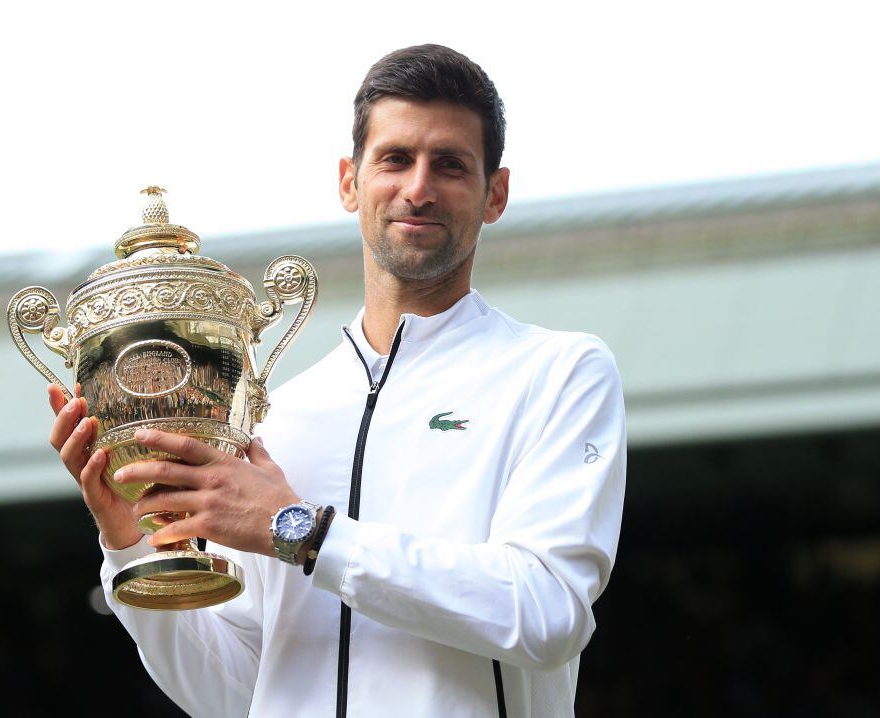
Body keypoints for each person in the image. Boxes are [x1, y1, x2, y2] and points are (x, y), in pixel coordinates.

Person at [47, 44, 626, 718]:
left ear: (494, 194)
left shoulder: (558, 373)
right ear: (350, 181)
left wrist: (303, 533)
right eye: (395, 159)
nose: (418, 188)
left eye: (450, 165)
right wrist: (130, 546)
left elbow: (546, 612)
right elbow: (237, 694)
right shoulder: (273, 417)